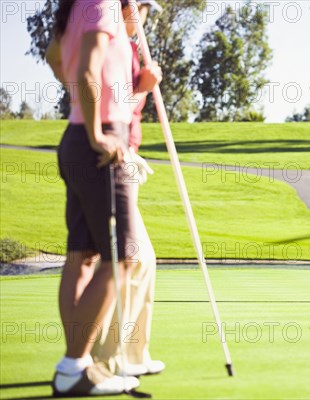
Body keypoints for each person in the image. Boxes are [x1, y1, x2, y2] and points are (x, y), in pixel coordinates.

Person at [45, 0, 160, 395]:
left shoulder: (76, 7)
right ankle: (74, 366)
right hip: (99, 142)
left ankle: (77, 363)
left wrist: (83, 110)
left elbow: (56, 58)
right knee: (123, 259)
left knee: (82, 256)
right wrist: (98, 132)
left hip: (77, 138)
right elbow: (88, 68)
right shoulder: (103, 3)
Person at [91, 0, 165, 377]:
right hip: (112, 158)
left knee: (141, 260)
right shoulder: (114, 44)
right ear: (126, 10)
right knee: (130, 258)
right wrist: (145, 89)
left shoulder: (126, 46)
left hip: (126, 157)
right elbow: (117, 109)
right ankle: (111, 358)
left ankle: (132, 355)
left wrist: (142, 85)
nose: (146, 19)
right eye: (143, 10)